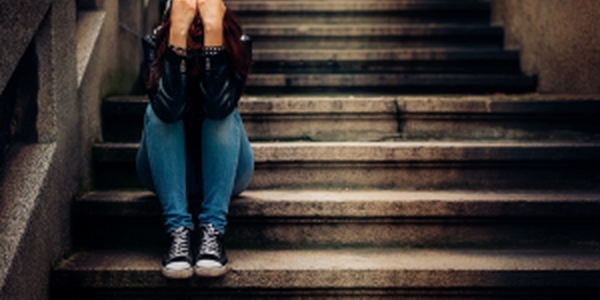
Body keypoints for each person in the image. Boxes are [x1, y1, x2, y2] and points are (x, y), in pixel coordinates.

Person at [136, 0, 253, 279]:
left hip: (228, 172)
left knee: (223, 114)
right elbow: (168, 109)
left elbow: (218, 106)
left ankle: (212, 231)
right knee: (157, 113)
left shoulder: (238, 43)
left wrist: (214, 37)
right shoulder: (156, 42)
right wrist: (177, 35)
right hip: (166, 172)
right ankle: (179, 234)